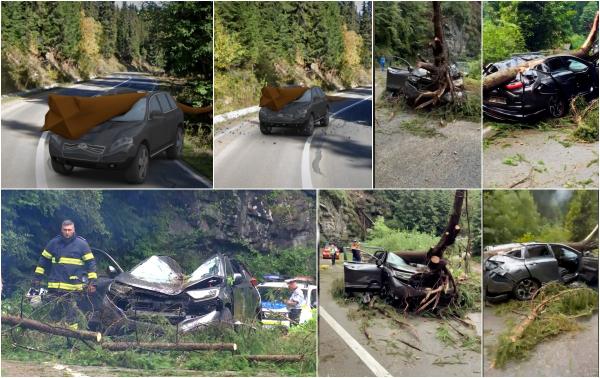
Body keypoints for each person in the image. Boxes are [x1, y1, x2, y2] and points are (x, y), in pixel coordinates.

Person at [32, 220, 97, 330]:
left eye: (69, 230)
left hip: (73, 289)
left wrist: (92, 282)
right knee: (54, 315)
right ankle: (53, 337)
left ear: (73, 230)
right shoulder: (53, 243)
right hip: (55, 287)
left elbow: (91, 263)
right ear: (61, 230)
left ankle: (70, 339)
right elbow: (43, 260)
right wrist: (37, 277)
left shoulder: (82, 244)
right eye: (65, 230)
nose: (67, 232)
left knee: (71, 316)